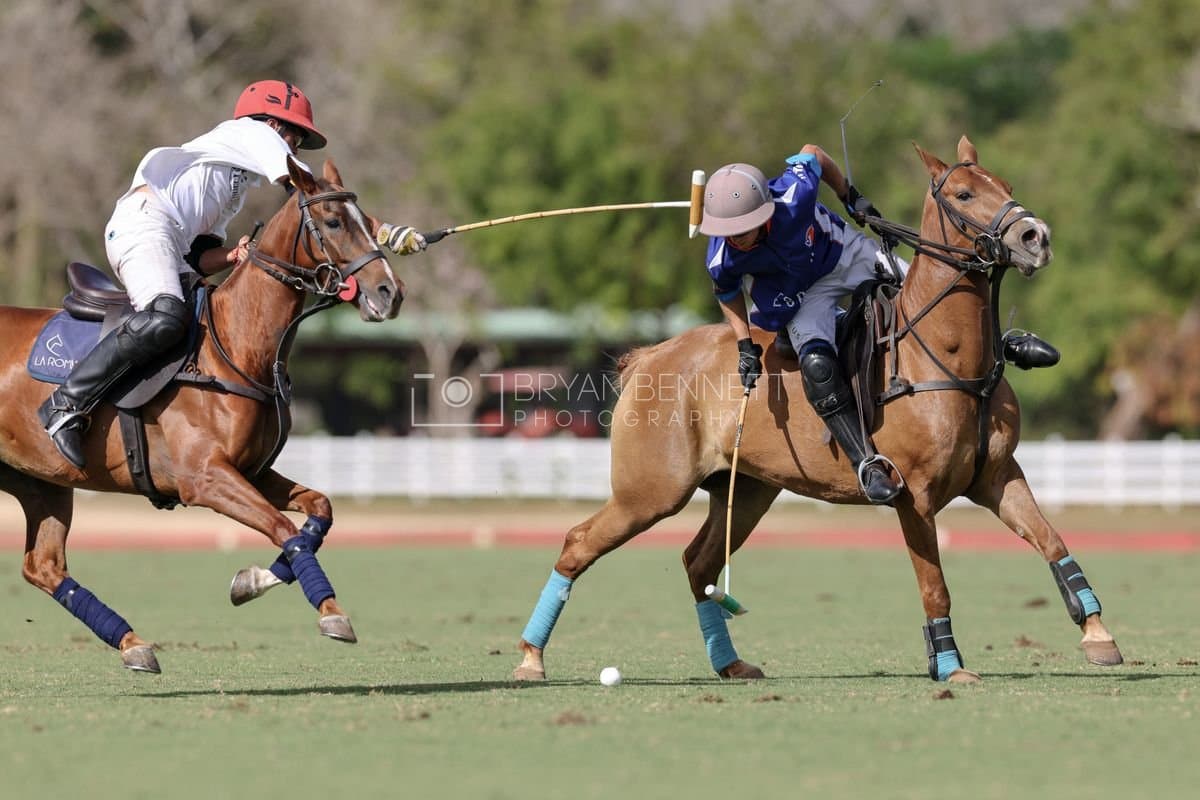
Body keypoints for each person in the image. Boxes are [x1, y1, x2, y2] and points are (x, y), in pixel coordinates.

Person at [40, 79, 427, 469]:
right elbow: (316, 192)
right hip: (143, 225)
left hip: (169, 242)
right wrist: (383, 231)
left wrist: (231, 256)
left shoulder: (231, 182)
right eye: (295, 135)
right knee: (166, 316)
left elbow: (197, 256)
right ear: (273, 125)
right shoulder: (251, 133)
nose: (294, 145)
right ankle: (65, 404)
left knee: (205, 328)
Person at [699, 148, 1058, 505]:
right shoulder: (722, 253)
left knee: (933, 291)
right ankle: (867, 463)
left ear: (765, 213)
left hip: (842, 255)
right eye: (729, 231)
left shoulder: (795, 193)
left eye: (744, 228)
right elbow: (727, 291)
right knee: (817, 366)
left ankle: (1006, 343)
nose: (737, 238)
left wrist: (850, 196)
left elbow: (814, 154)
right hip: (803, 296)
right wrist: (745, 344)